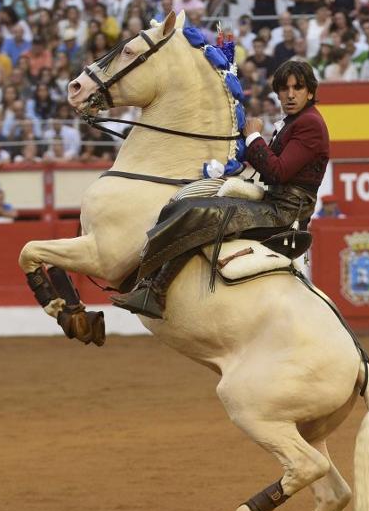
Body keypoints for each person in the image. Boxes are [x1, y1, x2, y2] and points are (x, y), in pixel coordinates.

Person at [113, 60, 330, 319]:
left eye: (298, 87)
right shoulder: (296, 121)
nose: (290, 94)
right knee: (191, 204)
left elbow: (278, 171)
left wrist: (253, 137)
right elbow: (269, 167)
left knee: (199, 212)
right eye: (284, 88)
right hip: (276, 203)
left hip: (284, 212)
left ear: (310, 91)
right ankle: (150, 284)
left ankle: (156, 291)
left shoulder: (310, 124)